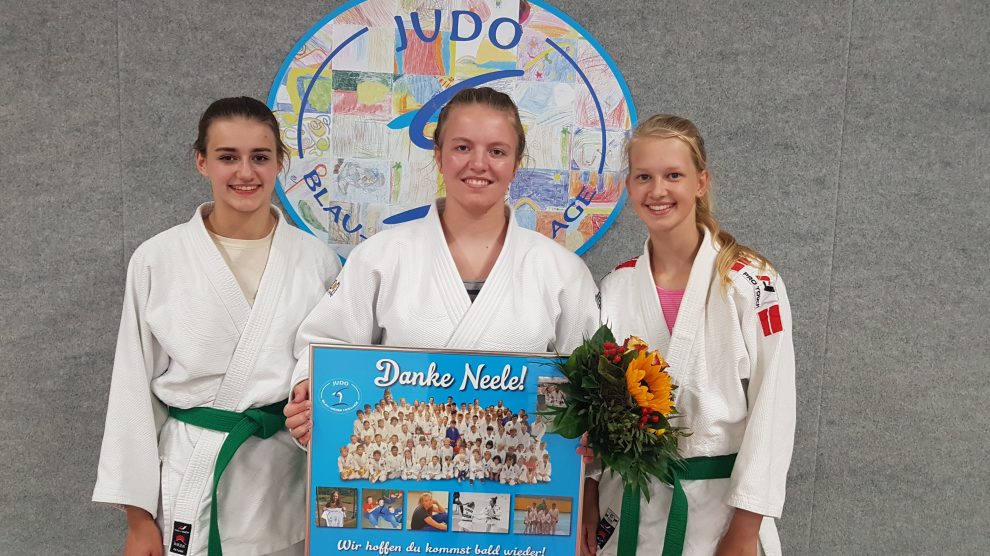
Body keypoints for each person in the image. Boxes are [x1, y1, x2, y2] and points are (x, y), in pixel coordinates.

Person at [91, 97, 341, 556]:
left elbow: (331, 380)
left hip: (283, 480)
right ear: (201, 161)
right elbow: (132, 387)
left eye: (260, 157)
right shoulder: (157, 259)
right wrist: (138, 519)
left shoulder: (317, 261)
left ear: (280, 163)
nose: (245, 172)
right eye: (228, 157)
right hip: (193, 469)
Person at [282, 87, 599, 445]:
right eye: (462, 147)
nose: (478, 163)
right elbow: (325, 345)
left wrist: (586, 457)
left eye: (497, 151)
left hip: (515, 477)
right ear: (439, 155)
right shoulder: (381, 256)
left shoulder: (562, 271)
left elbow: (589, 383)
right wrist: (311, 397)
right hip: (402, 472)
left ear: (516, 163)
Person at [582, 115, 795, 556]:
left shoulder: (751, 282)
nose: (657, 191)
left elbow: (775, 409)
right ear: (629, 187)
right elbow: (594, 413)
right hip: (627, 507)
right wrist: (585, 497)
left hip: (718, 513)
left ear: (701, 182)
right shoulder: (616, 287)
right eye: (643, 176)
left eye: (672, 175)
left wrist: (745, 530)